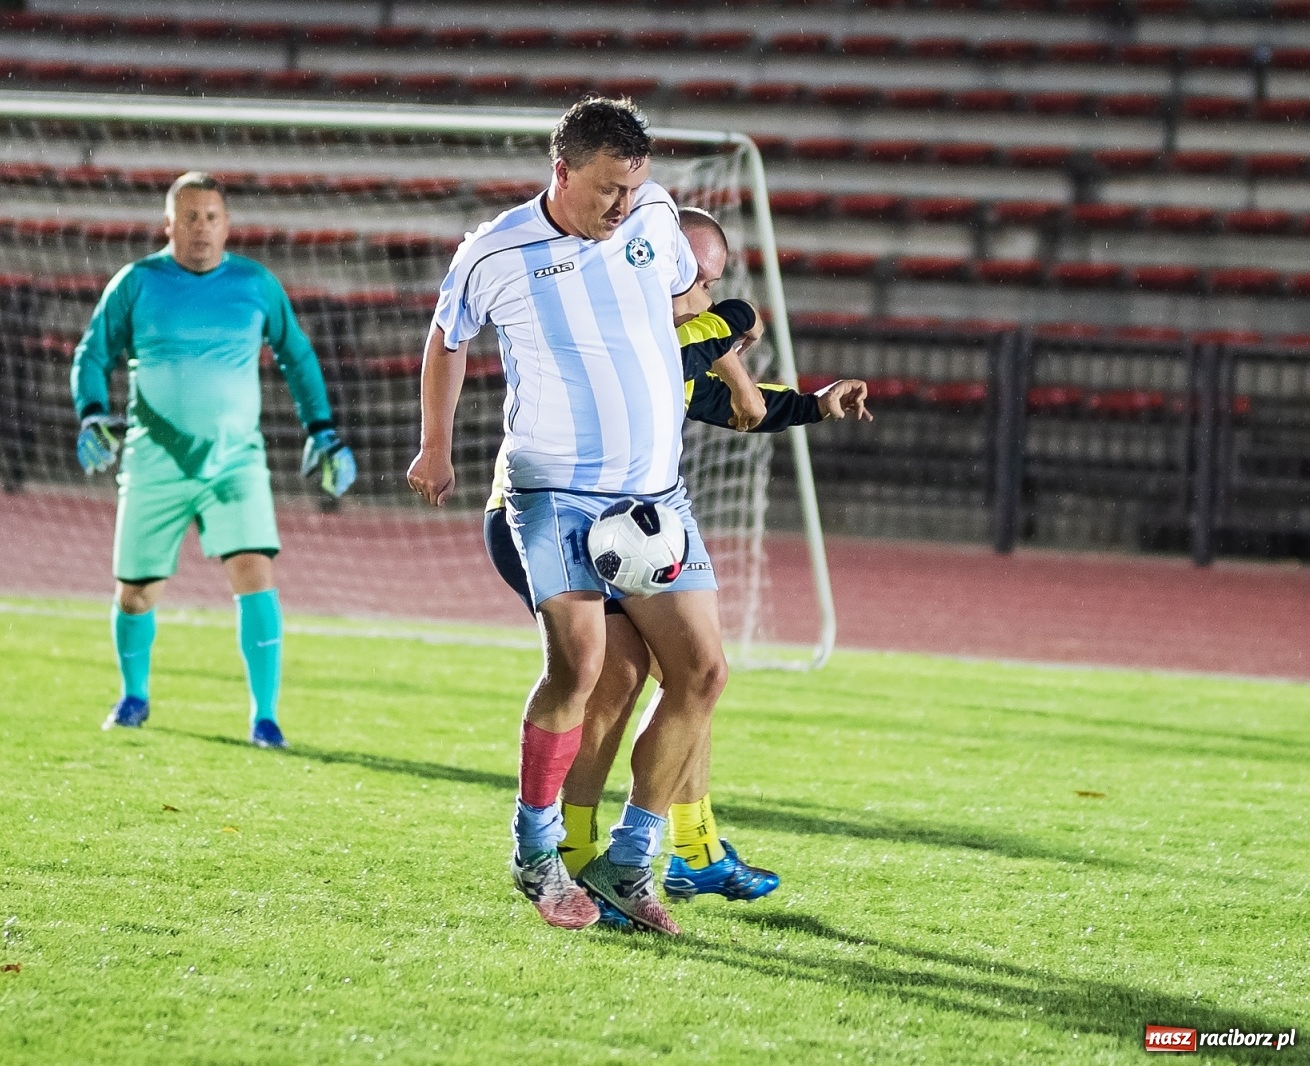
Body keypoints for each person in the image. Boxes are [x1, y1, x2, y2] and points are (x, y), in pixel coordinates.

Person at [482, 207, 872, 928]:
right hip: (543, 511)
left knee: (695, 671)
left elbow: (725, 400)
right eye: (686, 272)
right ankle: (568, 857)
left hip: (639, 520)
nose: (692, 287)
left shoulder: (680, 335)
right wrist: (733, 318)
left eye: (706, 277)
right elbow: (708, 335)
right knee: (615, 674)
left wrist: (814, 402)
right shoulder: (611, 314)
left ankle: (669, 853)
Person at [409, 97, 729, 936]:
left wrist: (729, 364)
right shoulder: (496, 249)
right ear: (562, 171)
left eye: (634, 189)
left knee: (701, 673)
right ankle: (535, 848)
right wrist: (434, 447)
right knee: (584, 667)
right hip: (554, 490)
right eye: (607, 191)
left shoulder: (654, 215)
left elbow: (668, 301)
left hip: (656, 498)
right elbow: (447, 339)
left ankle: (631, 862)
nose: (623, 208)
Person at [71, 171, 356, 746]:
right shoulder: (137, 282)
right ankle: (133, 696)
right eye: (189, 217)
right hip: (155, 459)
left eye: (211, 217)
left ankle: (266, 717)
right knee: (136, 594)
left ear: (227, 225)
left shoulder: (255, 283)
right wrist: (92, 413)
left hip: (235, 461)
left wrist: (323, 431)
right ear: (168, 224)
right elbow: (92, 351)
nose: (200, 228)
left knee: (256, 575)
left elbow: (297, 358)